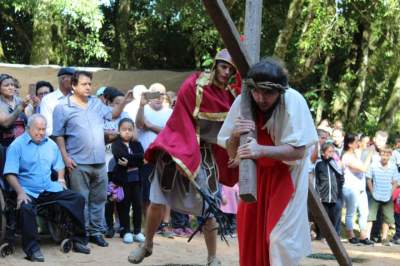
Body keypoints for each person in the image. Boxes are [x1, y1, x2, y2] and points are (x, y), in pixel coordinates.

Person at [128, 49, 238, 266]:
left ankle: (212, 256)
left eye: (231, 69)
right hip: (176, 149)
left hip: (205, 154)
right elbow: (181, 121)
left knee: (209, 209)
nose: (226, 72)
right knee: (157, 202)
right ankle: (147, 245)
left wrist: (233, 152)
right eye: (224, 66)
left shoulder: (230, 97)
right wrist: (183, 155)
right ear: (215, 65)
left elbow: (228, 133)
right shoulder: (195, 85)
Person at [218, 58, 318, 266]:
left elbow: (299, 151)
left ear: (280, 91)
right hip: (255, 177)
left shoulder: (293, 101)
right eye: (257, 91)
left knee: (279, 240)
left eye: (268, 93)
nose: (261, 98)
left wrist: (260, 150)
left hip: (286, 177)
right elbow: (231, 152)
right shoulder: (243, 102)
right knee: (250, 237)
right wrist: (235, 136)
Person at [52, 71, 133, 247]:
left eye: (90, 83)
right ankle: (82, 234)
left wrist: (125, 101)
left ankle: (96, 232)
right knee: (81, 200)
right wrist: (65, 158)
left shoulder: (97, 104)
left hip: (99, 161)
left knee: (99, 199)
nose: (88, 87)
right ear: (74, 86)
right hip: (77, 162)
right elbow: (58, 136)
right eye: (84, 84)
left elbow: (113, 114)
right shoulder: (62, 107)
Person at [3, 114, 90, 262]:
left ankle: (79, 240)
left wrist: (61, 179)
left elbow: (59, 165)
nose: (41, 133)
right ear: (28, 128)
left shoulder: (50, 144)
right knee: (26, 208)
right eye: (38, 129)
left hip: (49, 189)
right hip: (27, 190)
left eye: (43, 129)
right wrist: (20, 192)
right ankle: (32, 249)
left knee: (77, 199)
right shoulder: (16, 146)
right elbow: (9, 173)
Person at [111, 118, 145, 243]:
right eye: (124, 130)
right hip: (123, 181)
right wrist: (136, 160)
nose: (127, 132)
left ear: (133, 131)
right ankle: (126, 231)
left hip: (136, 180)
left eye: (130, 130)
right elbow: (121, 157)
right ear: (119, 131)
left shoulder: (137, 144)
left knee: (137, 205)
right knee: (124, 205)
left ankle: (137, 231)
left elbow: (142, 157)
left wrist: (130, 161)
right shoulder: (116, 144)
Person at [341, 133, 373, 245]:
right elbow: (363, 168)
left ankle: (363, 236)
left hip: (360, 188)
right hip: (350, 188)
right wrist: (370, 153)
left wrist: (366, 148)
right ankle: (351, 235)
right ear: (350, 144)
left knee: (364, 212)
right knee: (351, 212)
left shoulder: (356, 154)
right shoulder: (346, 156)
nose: (358, 143)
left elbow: (363, 149)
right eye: (356, 142)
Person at [366, 148, 398, 246]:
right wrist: (372, 191)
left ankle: (384, 238)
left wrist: (390, 193)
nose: (385, 157)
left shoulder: (393, 167)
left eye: (387, 155)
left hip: (387, 196)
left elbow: (396, 181)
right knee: (370, 217)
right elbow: (368, 179)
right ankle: (367, 237)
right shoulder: (374, 165)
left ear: (390, 156)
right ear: (380, 155)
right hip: (375, 195)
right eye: (383, 155)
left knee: (387, 219)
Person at [314, 143, 344, 237]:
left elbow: (340, 178)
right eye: (329, 151)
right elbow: (316, 180)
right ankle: (321, 235)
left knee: (334, 216)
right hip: (323, 196)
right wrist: (317, 195)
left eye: (333, 151)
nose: (332, 153)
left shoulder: (335, 165)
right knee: (323, 216)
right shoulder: (319, 164)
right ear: (323, 152)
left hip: (334, 196)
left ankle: (332, 236)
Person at [40, 67, 75, 136]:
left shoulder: (77, 98)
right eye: (73, 79)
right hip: (55, 142)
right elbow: (47, 129)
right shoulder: (48, 100)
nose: (76, 82)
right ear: (63, 79)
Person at [0, 74, 30, 147]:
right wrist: (20, 107)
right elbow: (5, 123)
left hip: (23, 143)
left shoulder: (20, 101)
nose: (11, 87)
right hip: (4, 145)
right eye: (6, 85)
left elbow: (29, 122)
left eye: (12, 85)